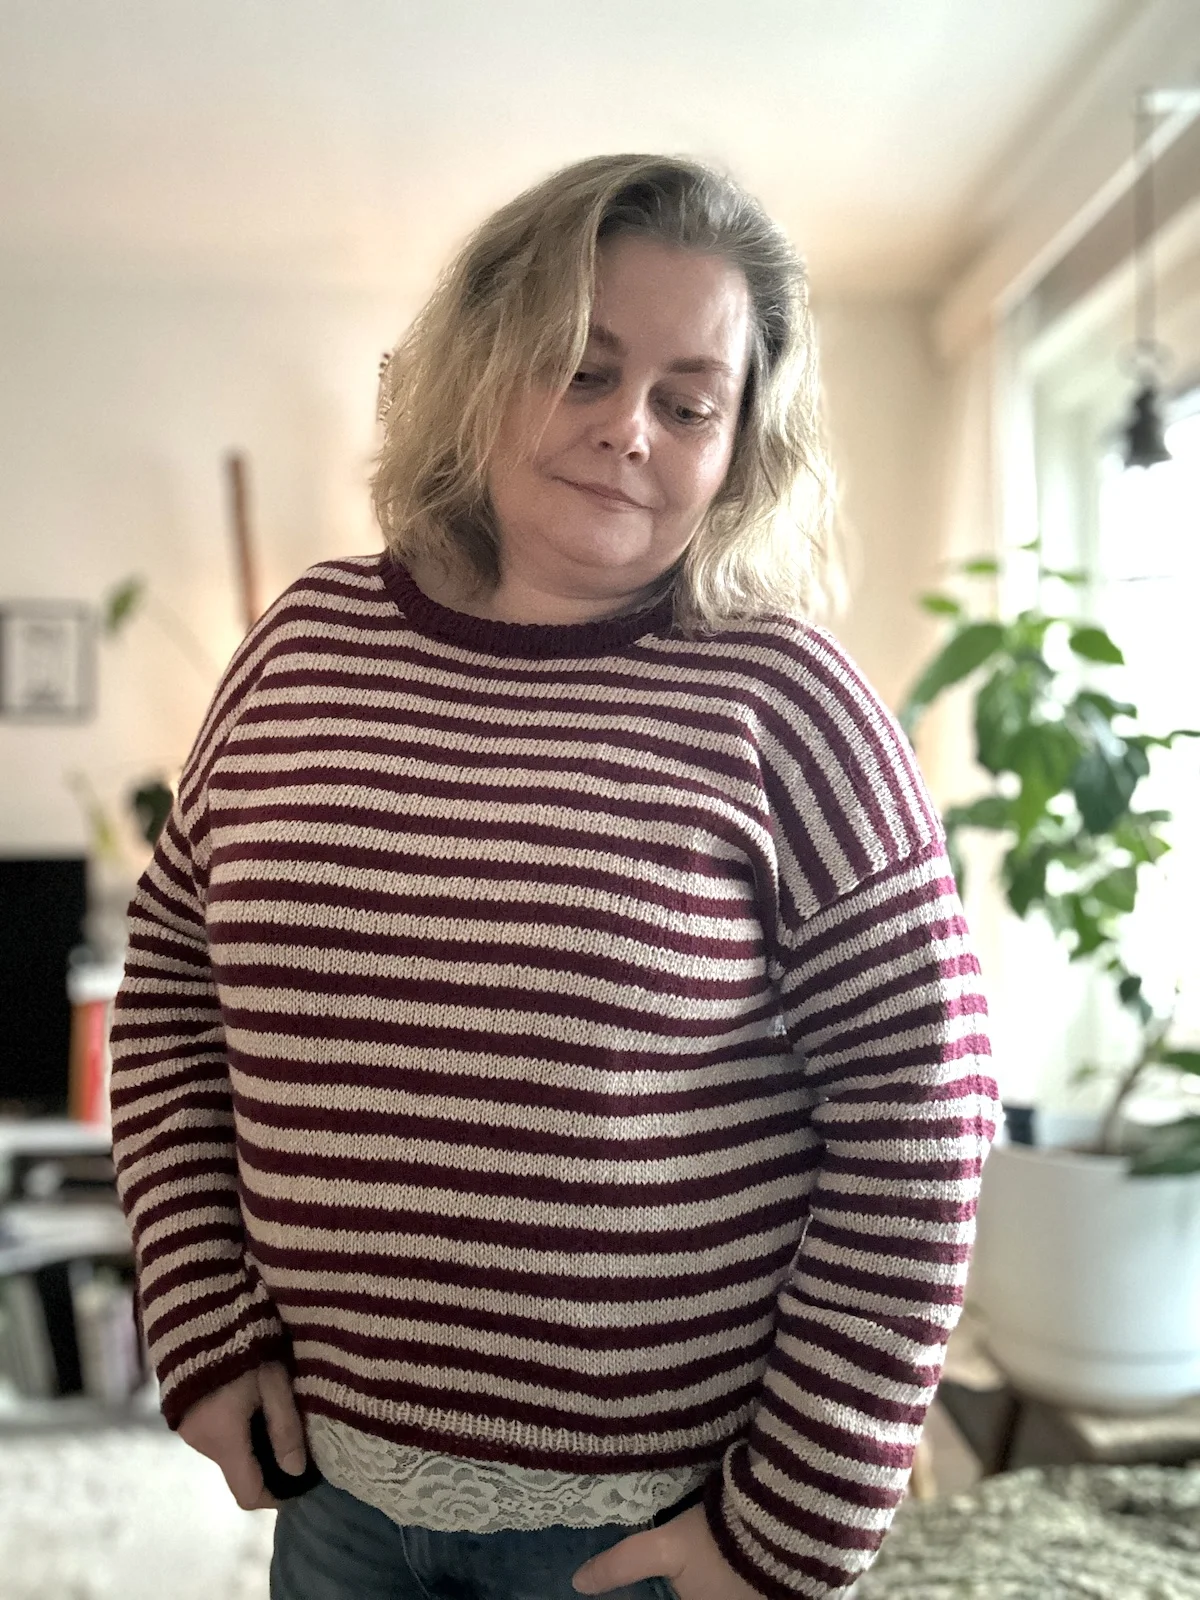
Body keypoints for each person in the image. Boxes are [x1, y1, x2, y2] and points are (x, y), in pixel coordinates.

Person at [108, 154, 999, 1600]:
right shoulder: (300, 650)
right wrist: (199, 1314)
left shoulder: (790, 704)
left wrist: (796, 1518)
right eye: (580, 367)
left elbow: (925, 1115)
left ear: (739, 445)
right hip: (334, 1503)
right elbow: (166, 1002)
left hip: (645, 1536)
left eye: (688, 402)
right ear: (479, 366)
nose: (626, 428)